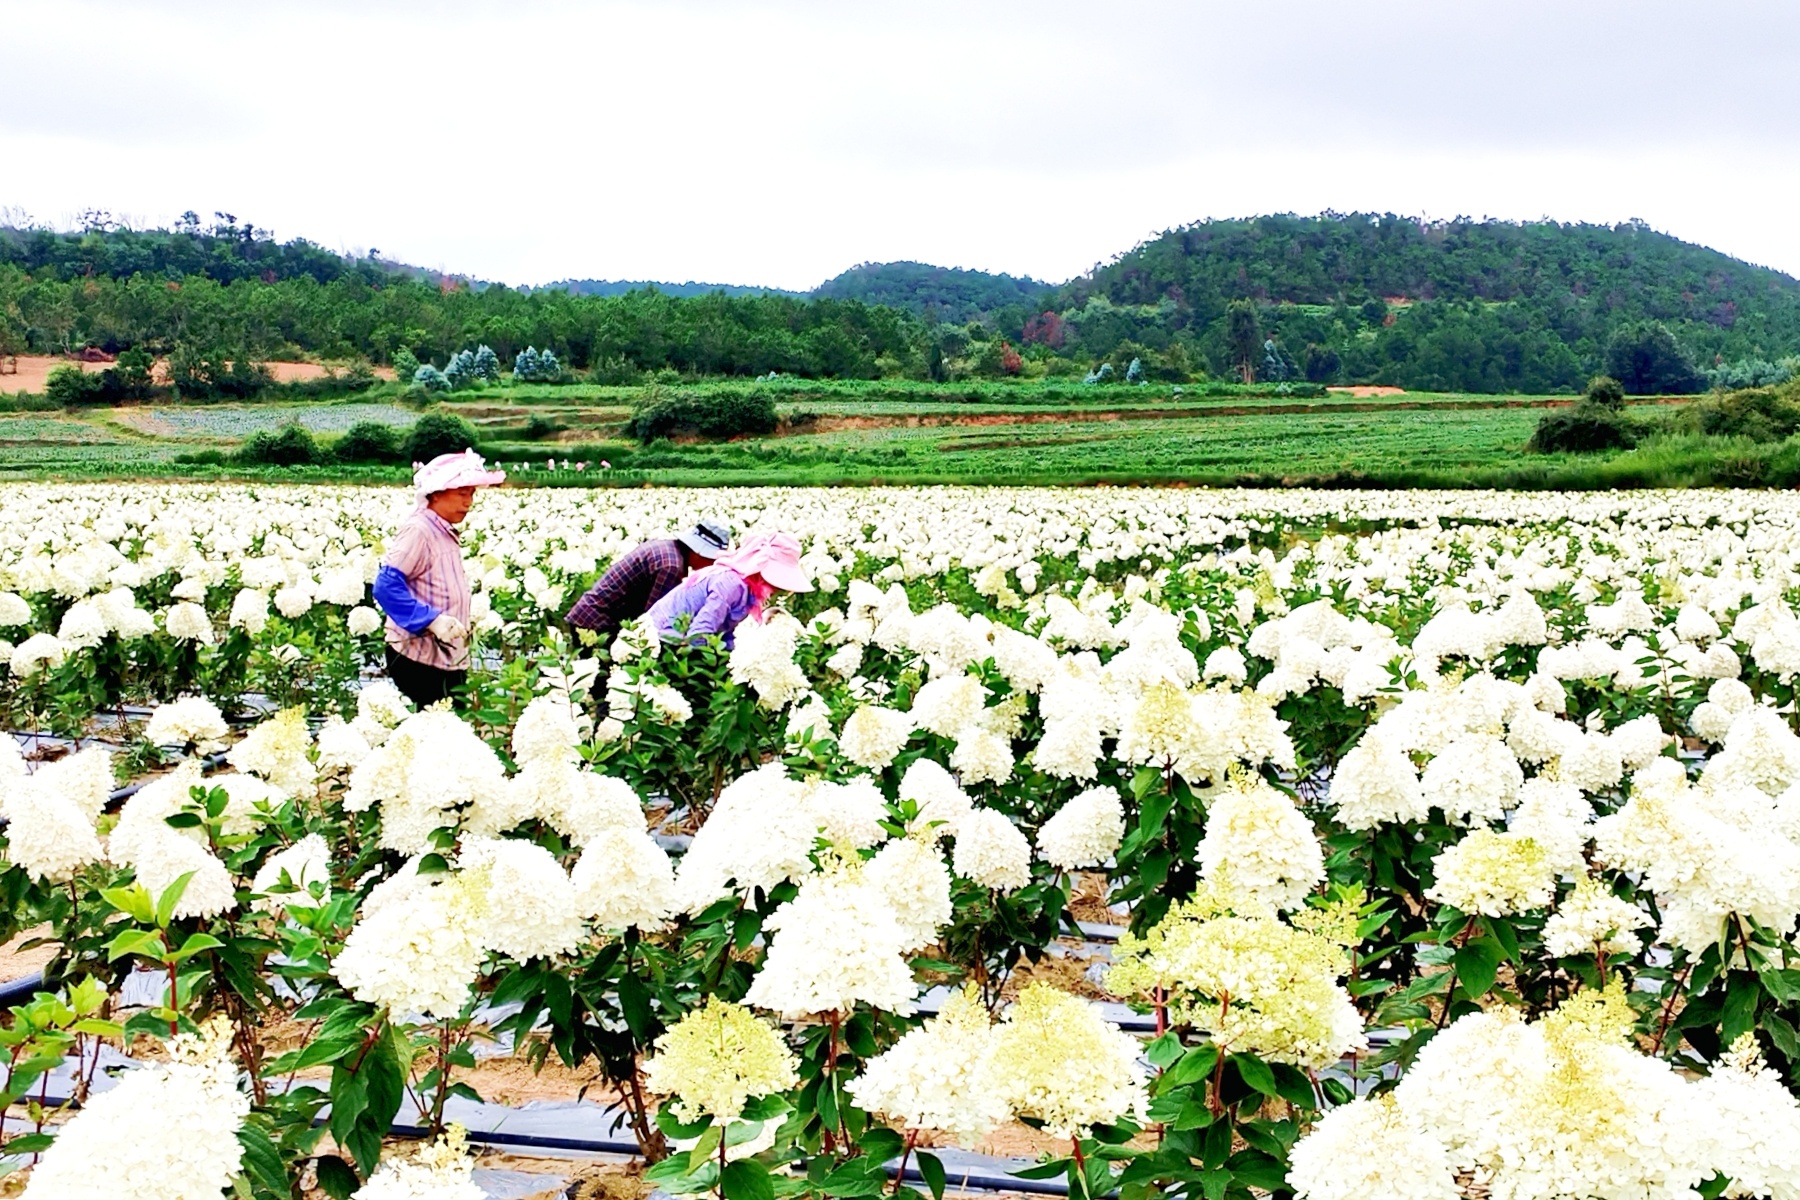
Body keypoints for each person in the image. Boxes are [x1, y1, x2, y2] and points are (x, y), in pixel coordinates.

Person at [373, 449, 506, 709]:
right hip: (419, 658)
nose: (468, 502)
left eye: (471, 494)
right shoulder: (419, 530)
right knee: (436, 730)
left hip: (447, 656)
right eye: (461, 494)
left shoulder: (442, 530)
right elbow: (386, 585)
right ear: (435, 493)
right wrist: (430, 619)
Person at [565, 519, 732, 647]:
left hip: (592, 616)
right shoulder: (671, 566)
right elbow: (655, 620)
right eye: (711, 558)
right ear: (698, 551)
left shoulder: (667, 549)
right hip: (594, 622)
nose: (711, 564)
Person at [647, 530, 812, 648]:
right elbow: (699, 633)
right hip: (662, 641)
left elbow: (726, 633)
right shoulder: (731, 585)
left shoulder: (746, 587)